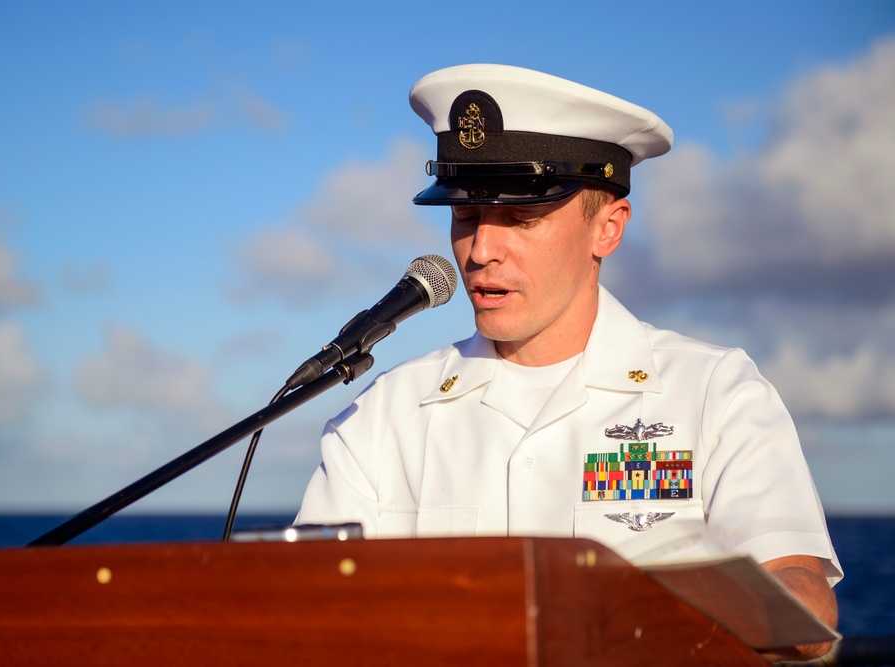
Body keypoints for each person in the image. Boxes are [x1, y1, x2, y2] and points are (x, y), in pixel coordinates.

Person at [295, 64, 841, 660]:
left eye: (521, 220)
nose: (480, 251)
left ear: (607, 228)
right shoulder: (384, 418)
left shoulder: (714, 392)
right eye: (466, 216)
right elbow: (302, 616)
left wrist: (623, 604)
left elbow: (807, 615)